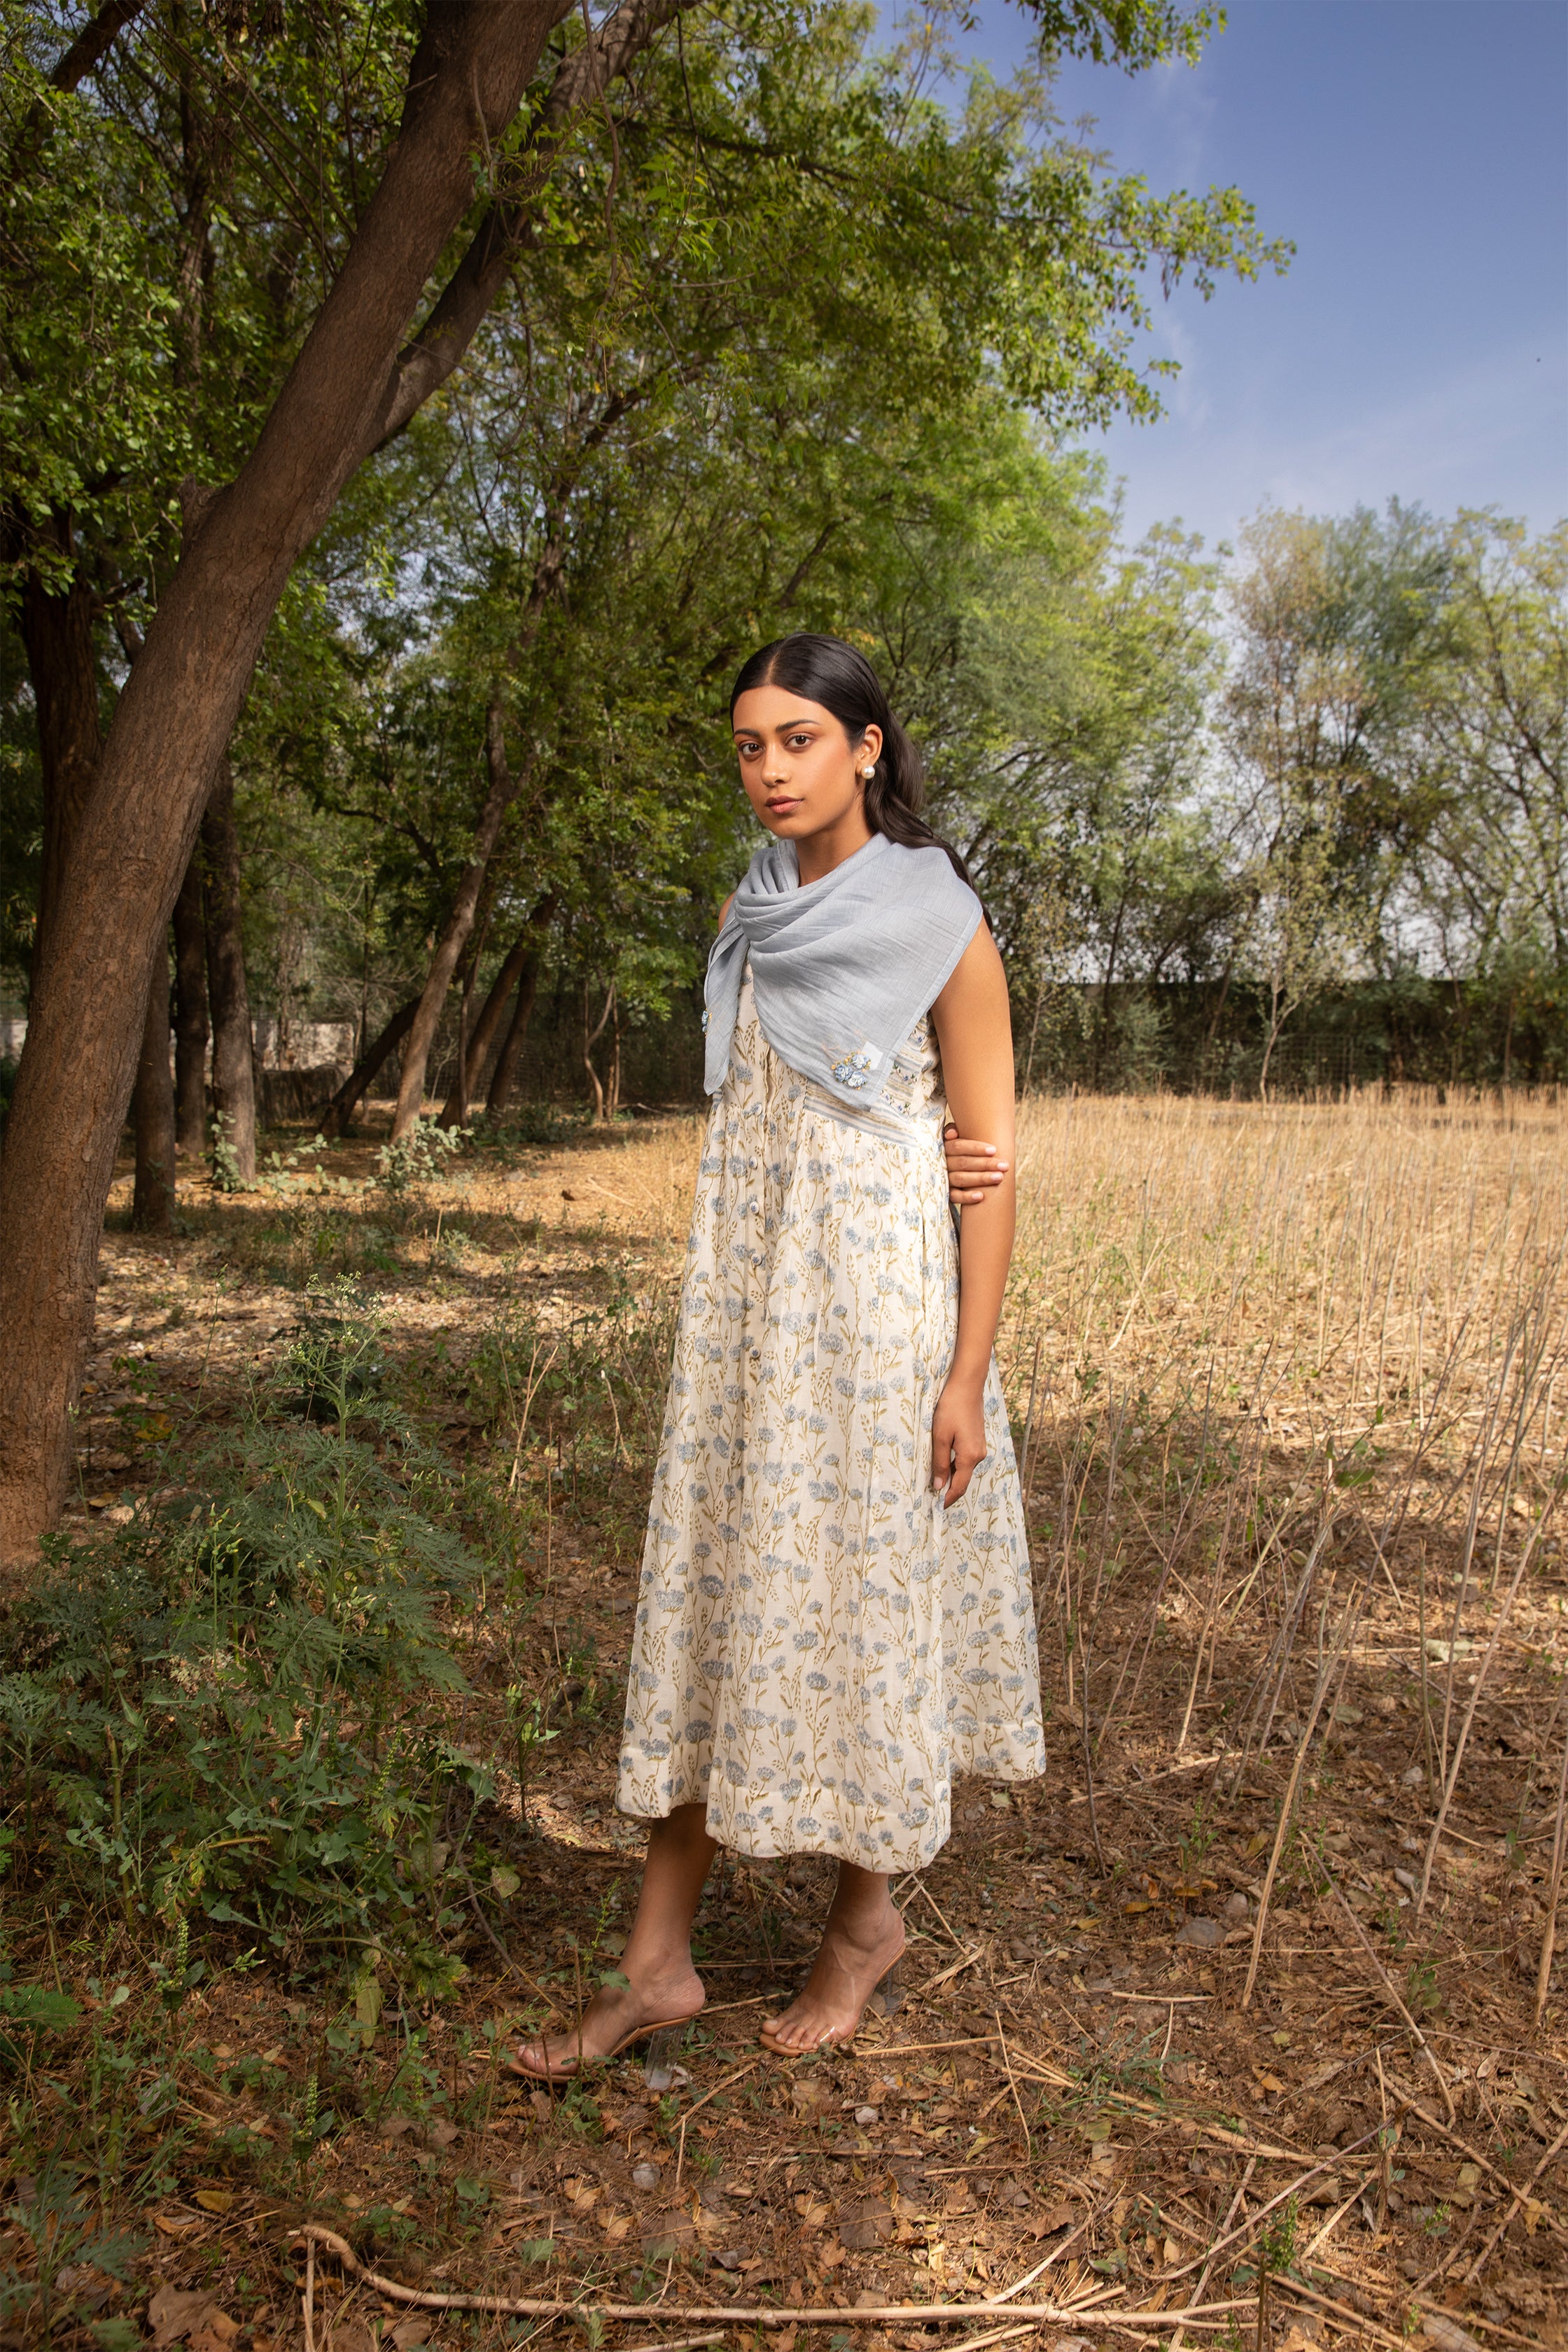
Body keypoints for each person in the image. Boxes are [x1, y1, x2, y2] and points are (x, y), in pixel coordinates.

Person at [510, 633, 1044, 2078]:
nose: (769, 771)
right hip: (751, 1321)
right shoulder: (749, 915)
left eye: (799, 740)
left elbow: (985, 1169)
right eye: (749, 745)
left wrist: (962, 1374)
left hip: (877, 1322)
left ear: (866, 748)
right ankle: (658, 1960)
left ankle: (866, 1917)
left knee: (865, 1598)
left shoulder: (943, 923)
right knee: (716, 1594)